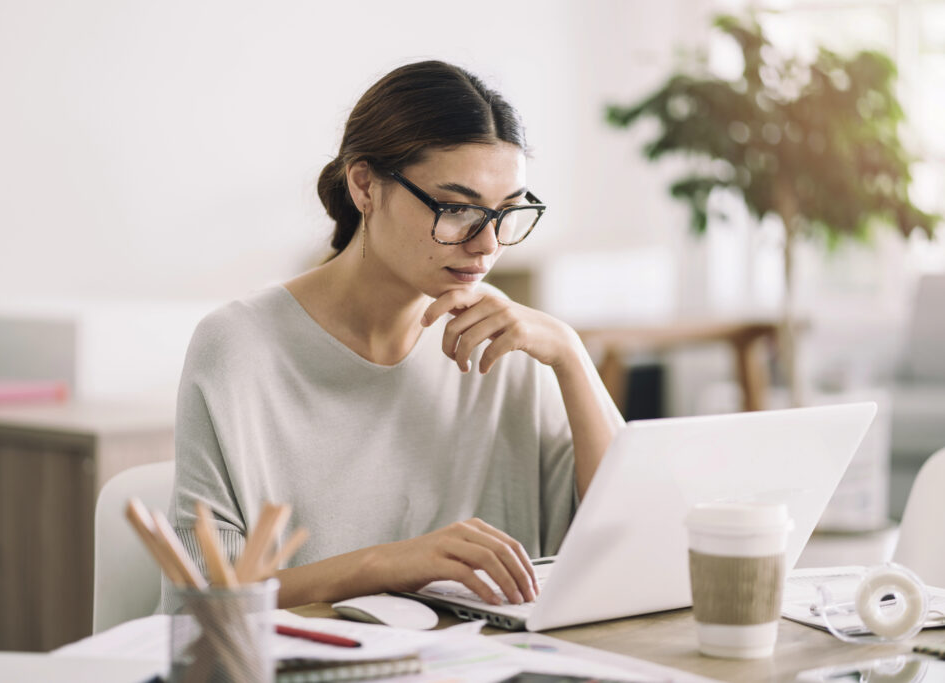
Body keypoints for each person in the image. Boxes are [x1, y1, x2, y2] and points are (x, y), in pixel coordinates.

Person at [159, 60, 623, 613]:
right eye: (458, 209)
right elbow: (201, 603)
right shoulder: (240, 347)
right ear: (364, 186)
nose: (487, 245)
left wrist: (570, 354)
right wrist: (383, 567)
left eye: (506, 212)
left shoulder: (507, 343)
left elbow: (628, 535)